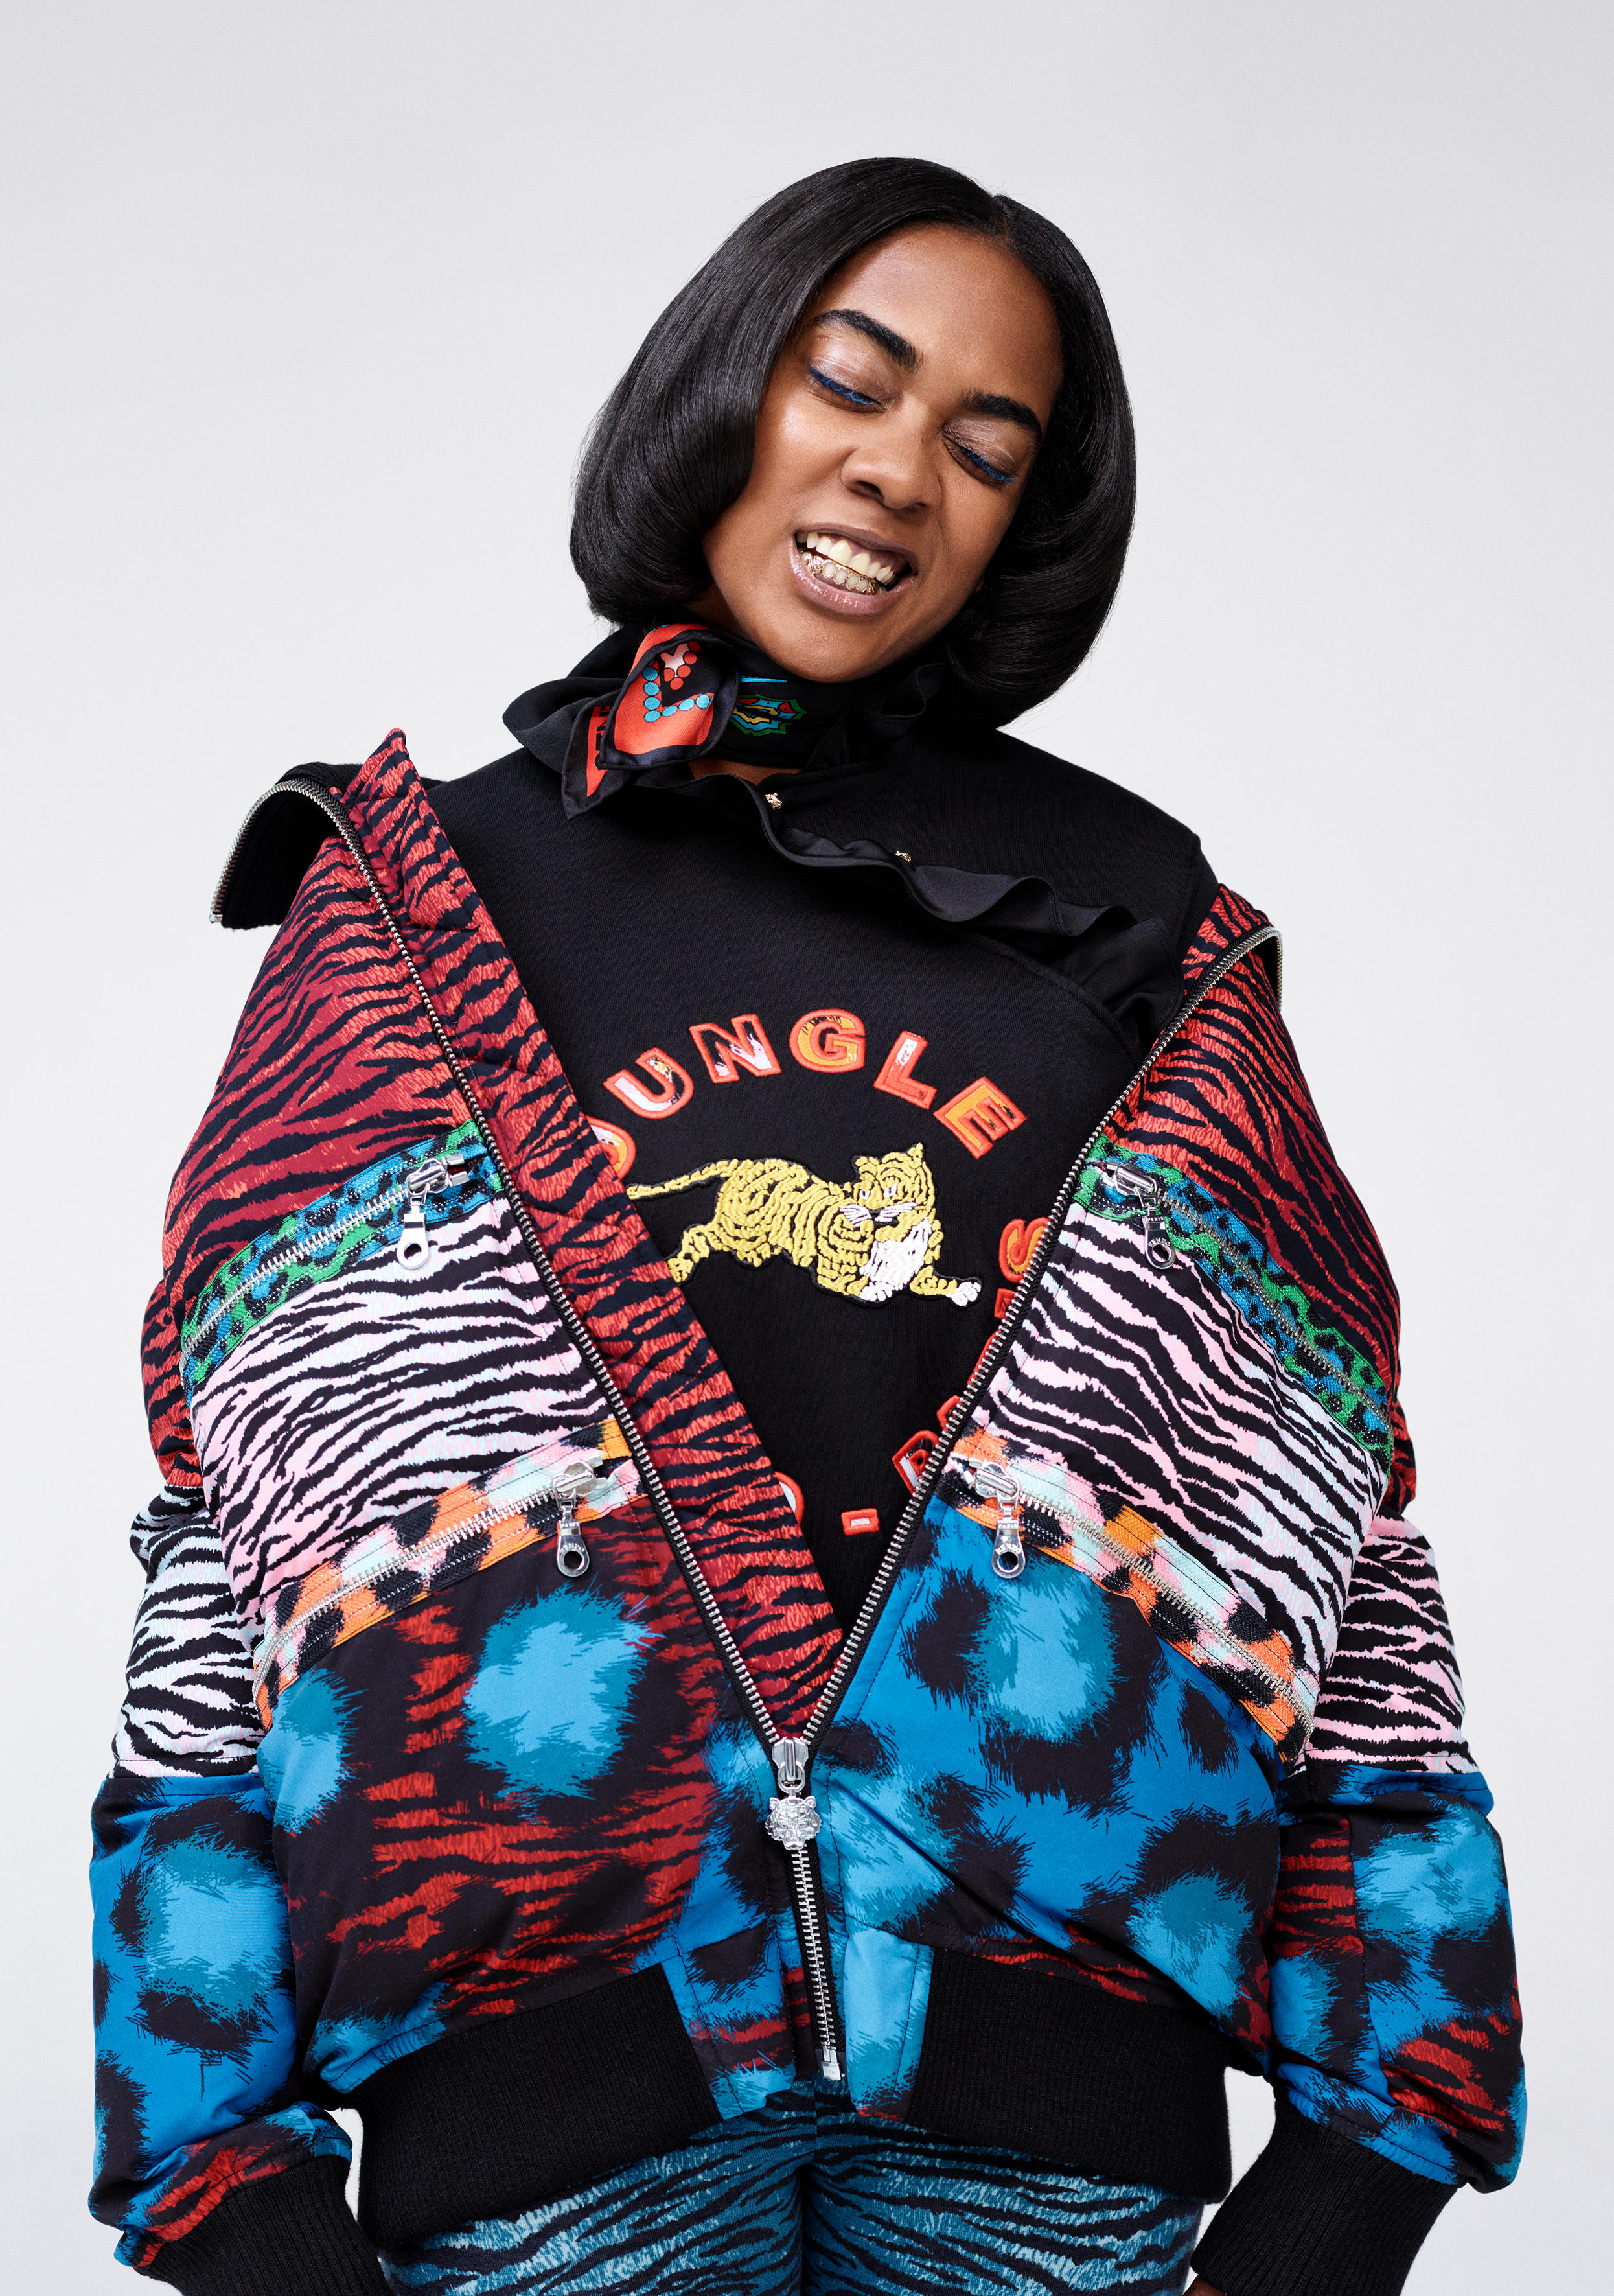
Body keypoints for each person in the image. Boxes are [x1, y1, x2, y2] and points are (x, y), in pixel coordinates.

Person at [89, 159, 1523, 2296]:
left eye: (984, 443)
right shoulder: (411, 907)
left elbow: (1334, 1533)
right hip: (538, 2158)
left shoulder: (1132, 922)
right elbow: (231, 1538)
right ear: (723, 391)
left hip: (1048, 2163)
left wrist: (1364, 2170)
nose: (895, 471)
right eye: (848, 381)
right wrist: (217, 2172)